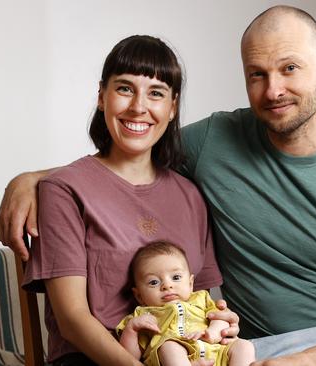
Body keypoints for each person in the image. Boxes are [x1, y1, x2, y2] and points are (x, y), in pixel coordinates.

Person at [0, 6, 316, 366]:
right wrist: (34, 180)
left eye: (289, 69)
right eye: (257, 74)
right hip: (261, 344)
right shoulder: (214, 142)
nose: (273, 89)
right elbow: (129, 155)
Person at [19, 35, 237, 366]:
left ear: (172, 106)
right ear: (102, 97)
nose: (139, 106)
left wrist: (219, 323)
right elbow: (72, 321)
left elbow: (203, 298)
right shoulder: (63, 189)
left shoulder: (191, 196)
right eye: (124, 89)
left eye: (156, 93)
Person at [116, 241, 255, 366]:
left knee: (244, 345)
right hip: (175, 359)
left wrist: (212, 332)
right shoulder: (141, 315)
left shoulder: (202, 298)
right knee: (169, 346)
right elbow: (130, 357)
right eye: (154, 282)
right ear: (139, 295)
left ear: (190, 283)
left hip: (217, 353)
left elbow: (221, 318)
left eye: (175, 277)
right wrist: (131, 330)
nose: (167, 285)